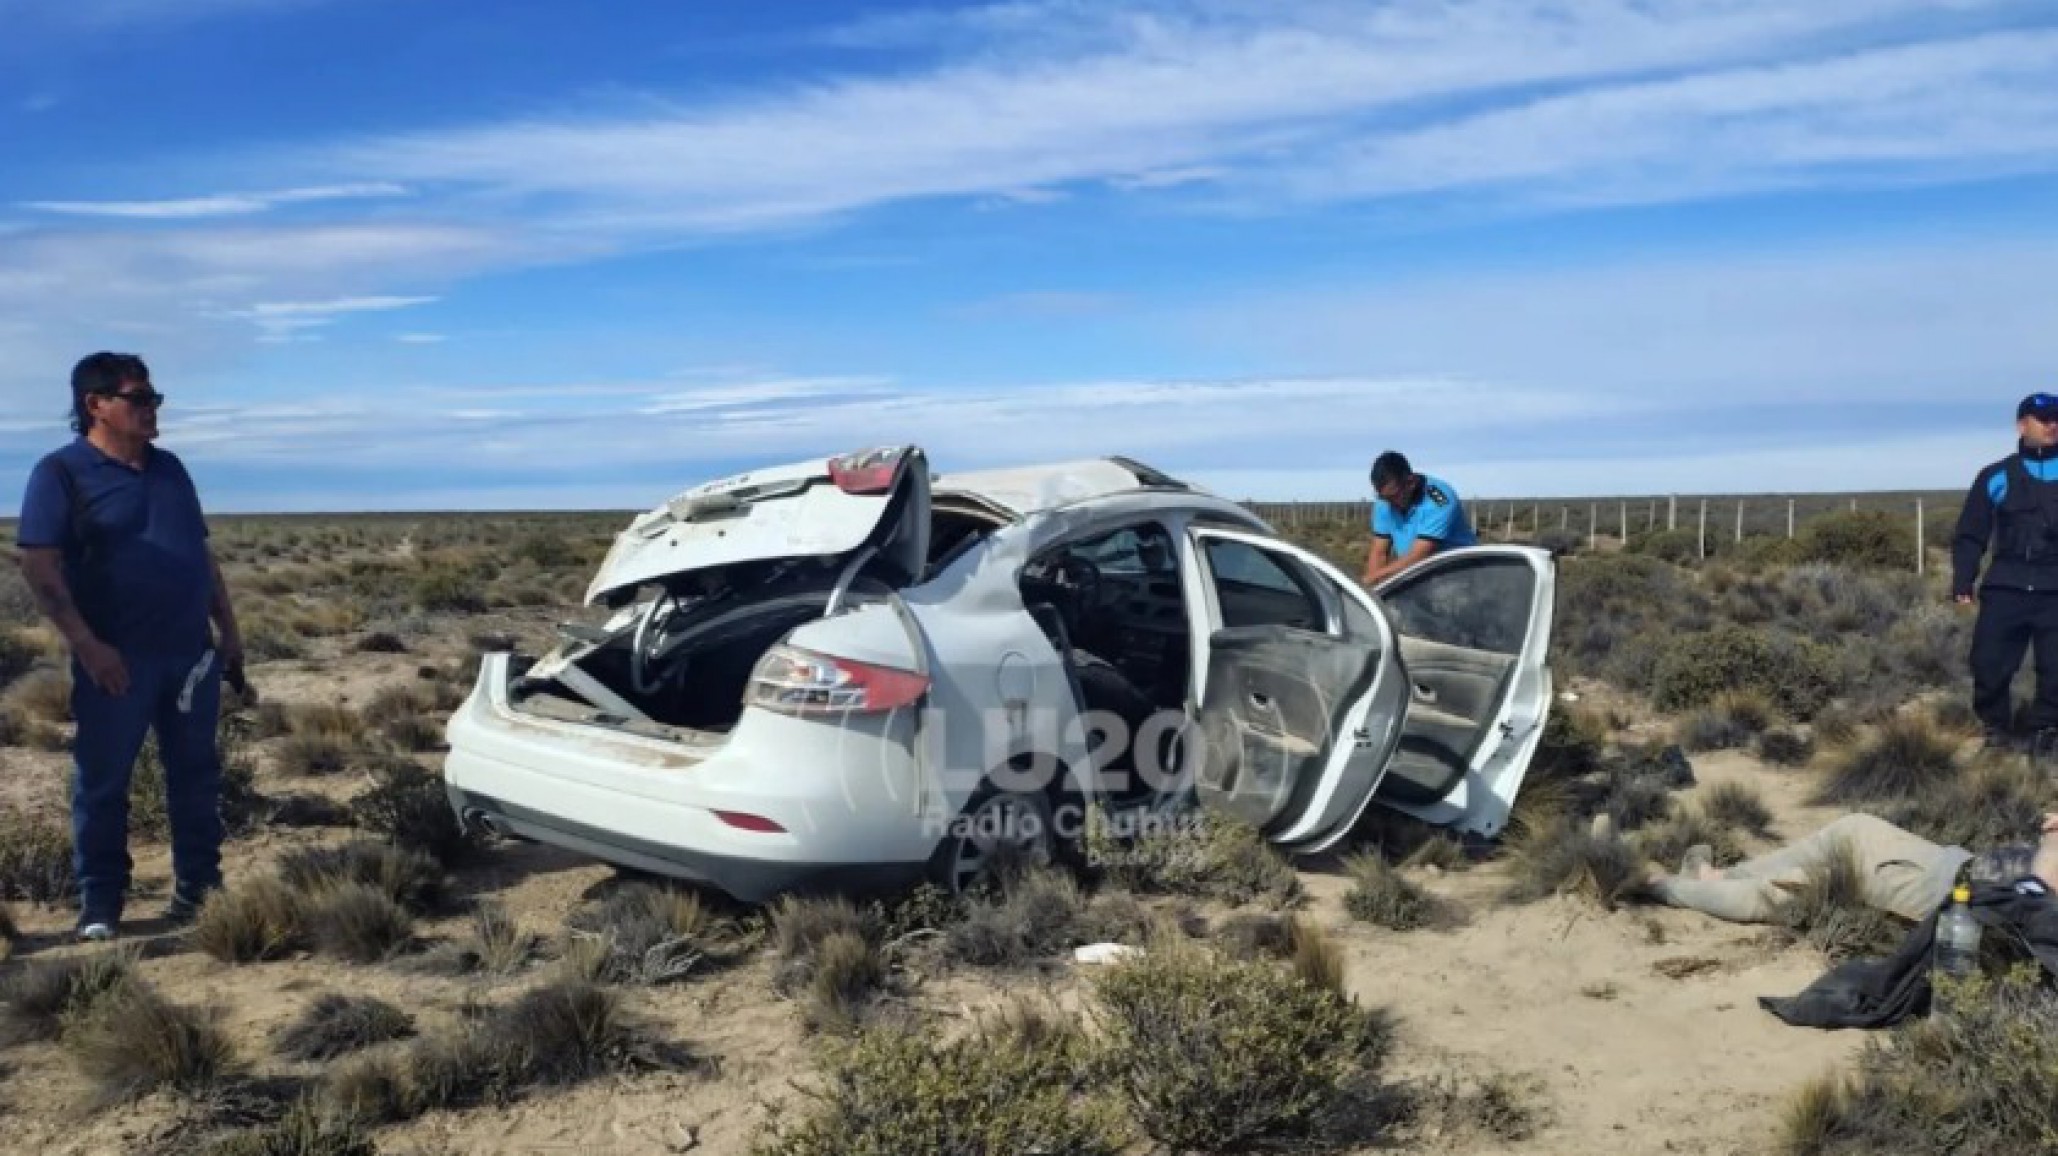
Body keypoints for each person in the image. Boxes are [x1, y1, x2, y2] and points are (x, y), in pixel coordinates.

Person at [15, 352, 247, 942]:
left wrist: (230, 631)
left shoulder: (170, 469)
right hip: (116, 662)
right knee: (103, 782)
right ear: (96, 405)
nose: (152, 409)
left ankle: (200, 891)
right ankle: (100, 905)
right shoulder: (61, 473)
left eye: (153, 399)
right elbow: (40, 567)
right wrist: (89, 647)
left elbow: (200, 553)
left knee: (195, 778)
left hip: (190, 656)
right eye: (139, 398)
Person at [1643, 812, 2058, 925]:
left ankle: (1658, 887)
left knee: (1786, 893)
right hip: (1950, 868)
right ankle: (1716, 878)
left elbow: (2034, 894)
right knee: (1851, 830)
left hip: (1938, 893)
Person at [1952, 392, 2058, 757]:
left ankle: (2045, 732)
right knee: (1989, 662)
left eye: (2057, 418)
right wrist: (1963, 580)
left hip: (2055, 588)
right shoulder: (1996, 476)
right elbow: (1970, 533)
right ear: (2022, 424)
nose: (2052, 425)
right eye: (2043, 418)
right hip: (2006, 586)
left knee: (2056, 669)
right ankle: (1996, 731)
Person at [1361, 450, 1477, 587]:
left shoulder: (1439, 500)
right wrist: (1371, 590)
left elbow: (1419, 555)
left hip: (1456, 573)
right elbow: (1379, 551)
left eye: (1394, 496)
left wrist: (1372, 578)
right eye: (1383, 497)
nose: (1388, 503)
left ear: (1411, 483)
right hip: (1416, 575)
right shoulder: (1385, 501)